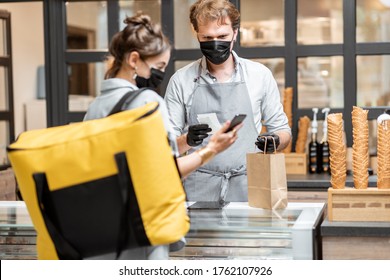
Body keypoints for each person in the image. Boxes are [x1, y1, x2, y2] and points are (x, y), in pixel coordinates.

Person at [84, 13, 241, 260]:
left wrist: (187, 141)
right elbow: (167, 172)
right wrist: (212, 149)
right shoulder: (147, 101)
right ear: (134, 59)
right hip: (144, 233)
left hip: (103, 231)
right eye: (158, 67)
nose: (160, 75)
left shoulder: (96, 106)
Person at [164, 0, 291, 203]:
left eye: (222, 36)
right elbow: (166, 149)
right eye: (207, 38)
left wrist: (274, 141)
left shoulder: (260, 75)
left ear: (235, 32)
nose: (215, 43)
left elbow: (284, 132)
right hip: (198, 187)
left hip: (250, 184)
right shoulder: (181, 80)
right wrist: (187, 139)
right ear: (196, 34)